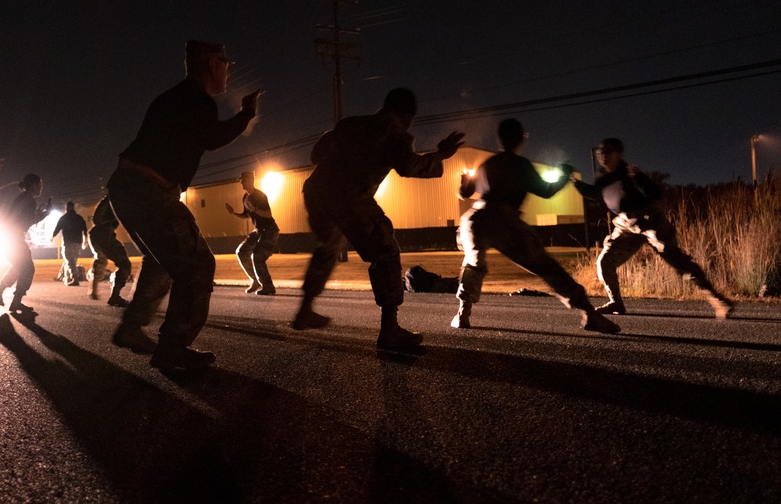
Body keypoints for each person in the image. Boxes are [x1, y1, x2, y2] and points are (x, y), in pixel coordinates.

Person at [107, 40, 261, 371]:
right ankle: (172, 349)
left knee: (162, 259)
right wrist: (247, 113)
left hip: (125, 187)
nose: (228, 71)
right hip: (150, 190)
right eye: (225, 64)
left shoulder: (173, 97)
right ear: (210, 64)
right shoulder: (198, 100)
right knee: (196, 265)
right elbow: (214, 138)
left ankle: (132, 328)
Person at [292, 87, 465, 351]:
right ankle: (390, 330)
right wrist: (440, 154)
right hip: (349, 196)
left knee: (327, 246)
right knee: (386, 251)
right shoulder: (395, 132)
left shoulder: (349, 124)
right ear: (407, 115)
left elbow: (315, 155)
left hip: (316, 191)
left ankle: (305, 309)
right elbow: (408, 167)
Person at [450, 119, 620, 334]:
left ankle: (462, 314)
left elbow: (464, 193)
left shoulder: (486, 164)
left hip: (475, 220)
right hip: (503, 219)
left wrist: (463, 184)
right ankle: (589, 313)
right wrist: (565, 176)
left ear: (499, 140)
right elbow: (546, 191)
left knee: (473, 265)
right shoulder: (520, 165)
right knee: (546, 266)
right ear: (522, 139)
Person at [572, 137, 734, 319]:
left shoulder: (629, 172)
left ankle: (717, 300)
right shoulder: (602, 176)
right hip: (625, 223)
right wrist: (574, 181)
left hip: (648, 220)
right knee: (604, 262)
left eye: (607, 151)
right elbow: (594, 193)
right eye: (599, 152)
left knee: (675, 258)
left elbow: (655, 193)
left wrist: (639, 177)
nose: (602, 155)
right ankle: (616, 302)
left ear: (619, 154)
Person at [0, 174, 51, 314]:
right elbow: (28, 220)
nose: (41, 187)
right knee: (28, 268)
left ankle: (0, 293)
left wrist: (42, 214)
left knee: (19, 267)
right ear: (33, 185)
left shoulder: (24, 198)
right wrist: (44, 214)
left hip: (6, 236)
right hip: (13, 238)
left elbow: (25, 218)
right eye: (39, 184)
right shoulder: (29, 200)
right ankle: (15, 300)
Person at [225, 171, 280, 295]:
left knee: (258, 256)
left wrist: (254, 208)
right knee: (241, 251)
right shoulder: (245, 198)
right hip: (258, 231)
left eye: (243, 180)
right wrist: (233, 213)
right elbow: (246, 215)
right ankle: (255, 281)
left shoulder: (260, 196)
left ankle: (268, 286)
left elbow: (268, 214)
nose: (241, 183)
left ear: (250, 180)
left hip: (270, 230)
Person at [88, 195, 133, 306]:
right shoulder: (112, 200)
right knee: (124, 264)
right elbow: (97, 219)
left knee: (101, 260)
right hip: (103, 234)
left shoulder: (111, 200)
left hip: (97, 234)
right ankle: (114, 297)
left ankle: (93, 290)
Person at [51, 201, 88, 286]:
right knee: (73, 260)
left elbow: (58, 228)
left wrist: (52, 236)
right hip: (78, 242)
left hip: (68, 242)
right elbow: (85, 229)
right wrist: (85, 240)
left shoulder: (64, 218)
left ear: (66, 208)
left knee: (69, 260)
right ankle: (70, 277)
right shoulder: (79, 218)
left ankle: (74, 279)